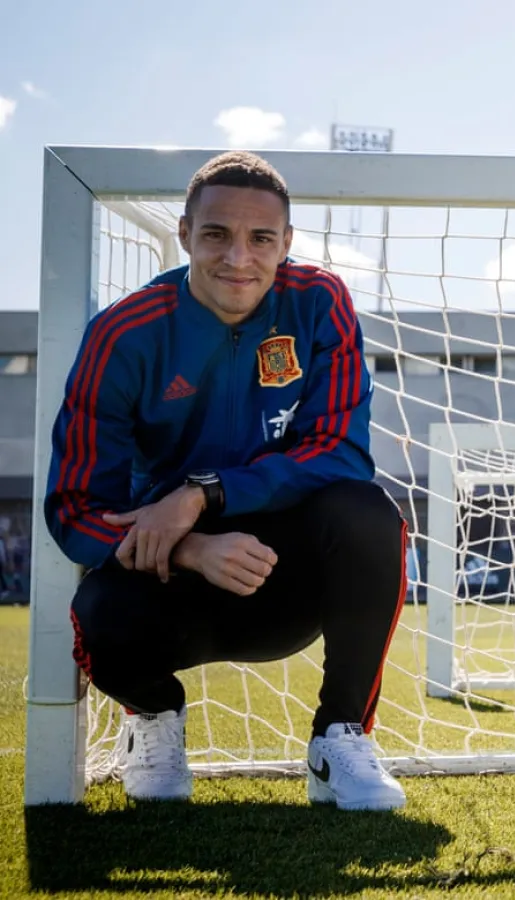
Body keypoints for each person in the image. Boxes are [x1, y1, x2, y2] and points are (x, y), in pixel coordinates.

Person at [43, 150, 408, 812]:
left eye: (261, 238)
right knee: (98, 613)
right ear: (185, 234)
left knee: (369, 513)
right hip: (168, 581)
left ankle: (340, 738)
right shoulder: (124, 337)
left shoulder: (319, 303)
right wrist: (187, 545)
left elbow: (343, 455)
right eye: (216, 234)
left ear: (286, 244)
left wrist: (205, 494)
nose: (238, 257)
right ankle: (152, 717)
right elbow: (75, 508)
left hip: (282, 578)